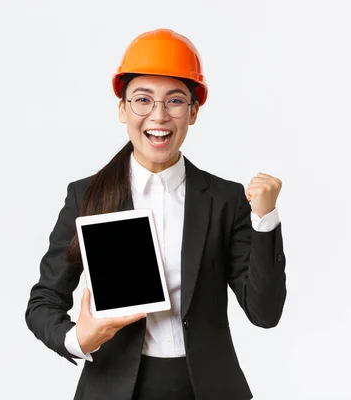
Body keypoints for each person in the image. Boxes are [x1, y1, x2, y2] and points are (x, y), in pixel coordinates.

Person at [25, 28, 287, 400]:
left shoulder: (226, 200)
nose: (158, 116)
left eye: (175, 101)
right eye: (143, 100)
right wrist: (75, 338)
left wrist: (265, 220)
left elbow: (265, 312)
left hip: (207, 387)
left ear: (194, 111)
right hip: (115, 387)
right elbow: (43, 301)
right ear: (122, 109)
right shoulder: (86, 196)